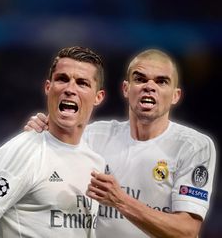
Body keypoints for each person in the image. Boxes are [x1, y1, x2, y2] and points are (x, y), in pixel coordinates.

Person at [25, 48, 216, 238]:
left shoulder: (193, 146)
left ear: (176, 96)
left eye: (161, 81)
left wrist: (121, 201)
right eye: (140, 79)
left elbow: (187, 231)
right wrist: (39, 133)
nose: (149, 86)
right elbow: (49, 157)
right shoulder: (93, 136)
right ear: (126, 89)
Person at [0, 46, 106, 238]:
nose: (70, 89)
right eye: (62, 79)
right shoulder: (22, 151)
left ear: (98, 97)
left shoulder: (95, 163)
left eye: (82, 83)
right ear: (48, 87)